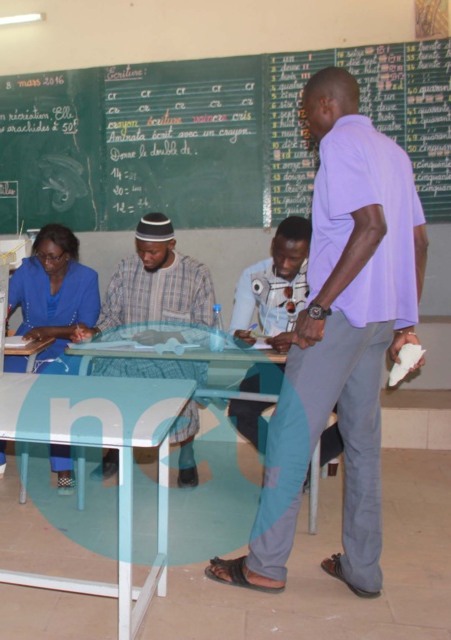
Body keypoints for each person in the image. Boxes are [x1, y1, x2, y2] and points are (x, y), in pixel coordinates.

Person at [206, 67, 428, 598]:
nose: (306, 124)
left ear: (326, 104)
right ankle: (363, 568)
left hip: (341, 317)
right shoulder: (394, 154)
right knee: (362, 443)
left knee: (287, 434)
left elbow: (370, 225)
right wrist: (407, 322)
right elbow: (417, 242)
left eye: (306, 112)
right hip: (378, 320)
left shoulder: (340, 145)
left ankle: (264, 565)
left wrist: (319, 306)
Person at [72, 212, 215, 488]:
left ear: (171, 244)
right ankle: (113, 452)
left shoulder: (197, 274)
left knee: (180, 390)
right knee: (104, 384)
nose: (145, 258)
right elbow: (112, 317)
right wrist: (95, 332)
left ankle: (186, 456)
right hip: (129, 355)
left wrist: (167, 336)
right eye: (140, 250)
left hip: (176, 357)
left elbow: (205, 330)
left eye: (152, 252)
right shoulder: (126, 267)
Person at [0, 223, 100, 495]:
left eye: (54, 257)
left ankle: (63, 467)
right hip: (27, 342)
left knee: (56, 394)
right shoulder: (28, 270)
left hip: (65, 347)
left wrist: (51, 331)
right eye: (42, 255)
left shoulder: (87, 278)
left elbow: (86, 325)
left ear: (69, 256)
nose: (46, 263)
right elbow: (3, 302)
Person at [227, 216, 344, 472]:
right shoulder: (254, 275)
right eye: (280, 255)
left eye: (295, 258)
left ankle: (299, 467)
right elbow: (237, 328)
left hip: (319, 363)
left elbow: (337, 328)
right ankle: (285, 463)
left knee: (354, 415)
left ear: (309, 252)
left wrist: (297, 339)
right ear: (272, 246)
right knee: (240, 411)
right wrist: (240, 336)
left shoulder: (326, 277)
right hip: (274, 364)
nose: (285, 264)